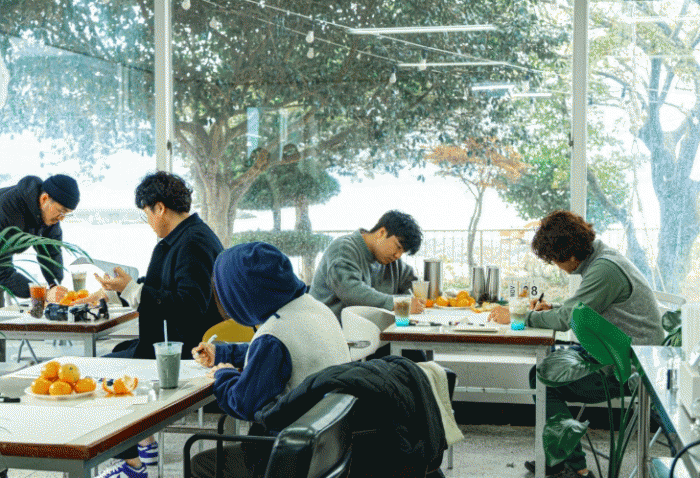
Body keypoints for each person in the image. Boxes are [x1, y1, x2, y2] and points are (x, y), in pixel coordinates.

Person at [489, 210, 663, 478]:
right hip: (617, 351)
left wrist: (518, 317)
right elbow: (581, 308)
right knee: (545, 370)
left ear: (570, 254)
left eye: (555, 260)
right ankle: (559, 459)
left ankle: (575, 468)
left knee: (544, 377)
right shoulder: (603, 259)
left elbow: (566, 319)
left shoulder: (605, 270)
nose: (557, 266)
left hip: (626, 367)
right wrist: (553, 308)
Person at [92, 171, 224, 478]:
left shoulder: (192, 243)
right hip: (173, 342)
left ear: (160, 208)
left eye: (147, 214)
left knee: (103, 376)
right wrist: (119, 291)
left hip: (183, 350)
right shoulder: (187, 237)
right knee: (118, 352)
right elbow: (163, 286)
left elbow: (189, 306)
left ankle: (134, 464)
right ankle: (145, 447)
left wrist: (132, 290)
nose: (149, 222)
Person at [189, 242, 351, 478]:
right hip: (329, 446)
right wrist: (223, 354)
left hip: (288, 456)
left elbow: (242, 404)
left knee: (200, 463)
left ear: (240, 294)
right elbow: (280, 354)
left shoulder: (274, 335)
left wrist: (223, 375)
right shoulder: (315, 308)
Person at [310, 209, 425, 323]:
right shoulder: (343, 249)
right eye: (398, 247)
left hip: (365, 329)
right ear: (381, 233)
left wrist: (420, 299)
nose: (398, 255)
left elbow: (414, 285)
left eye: (402, 252)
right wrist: (398, 304)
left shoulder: (390, 260)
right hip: (329, 328)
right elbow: (351, 291)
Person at [0, 174, 80, 302]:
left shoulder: (48, 213)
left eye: (66, 214)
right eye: (61, 211)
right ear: (44, 198)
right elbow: (2, 271)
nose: (62, 218)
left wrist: (54, 286)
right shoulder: (7, 212)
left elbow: (51, 251)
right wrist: (43, 293)